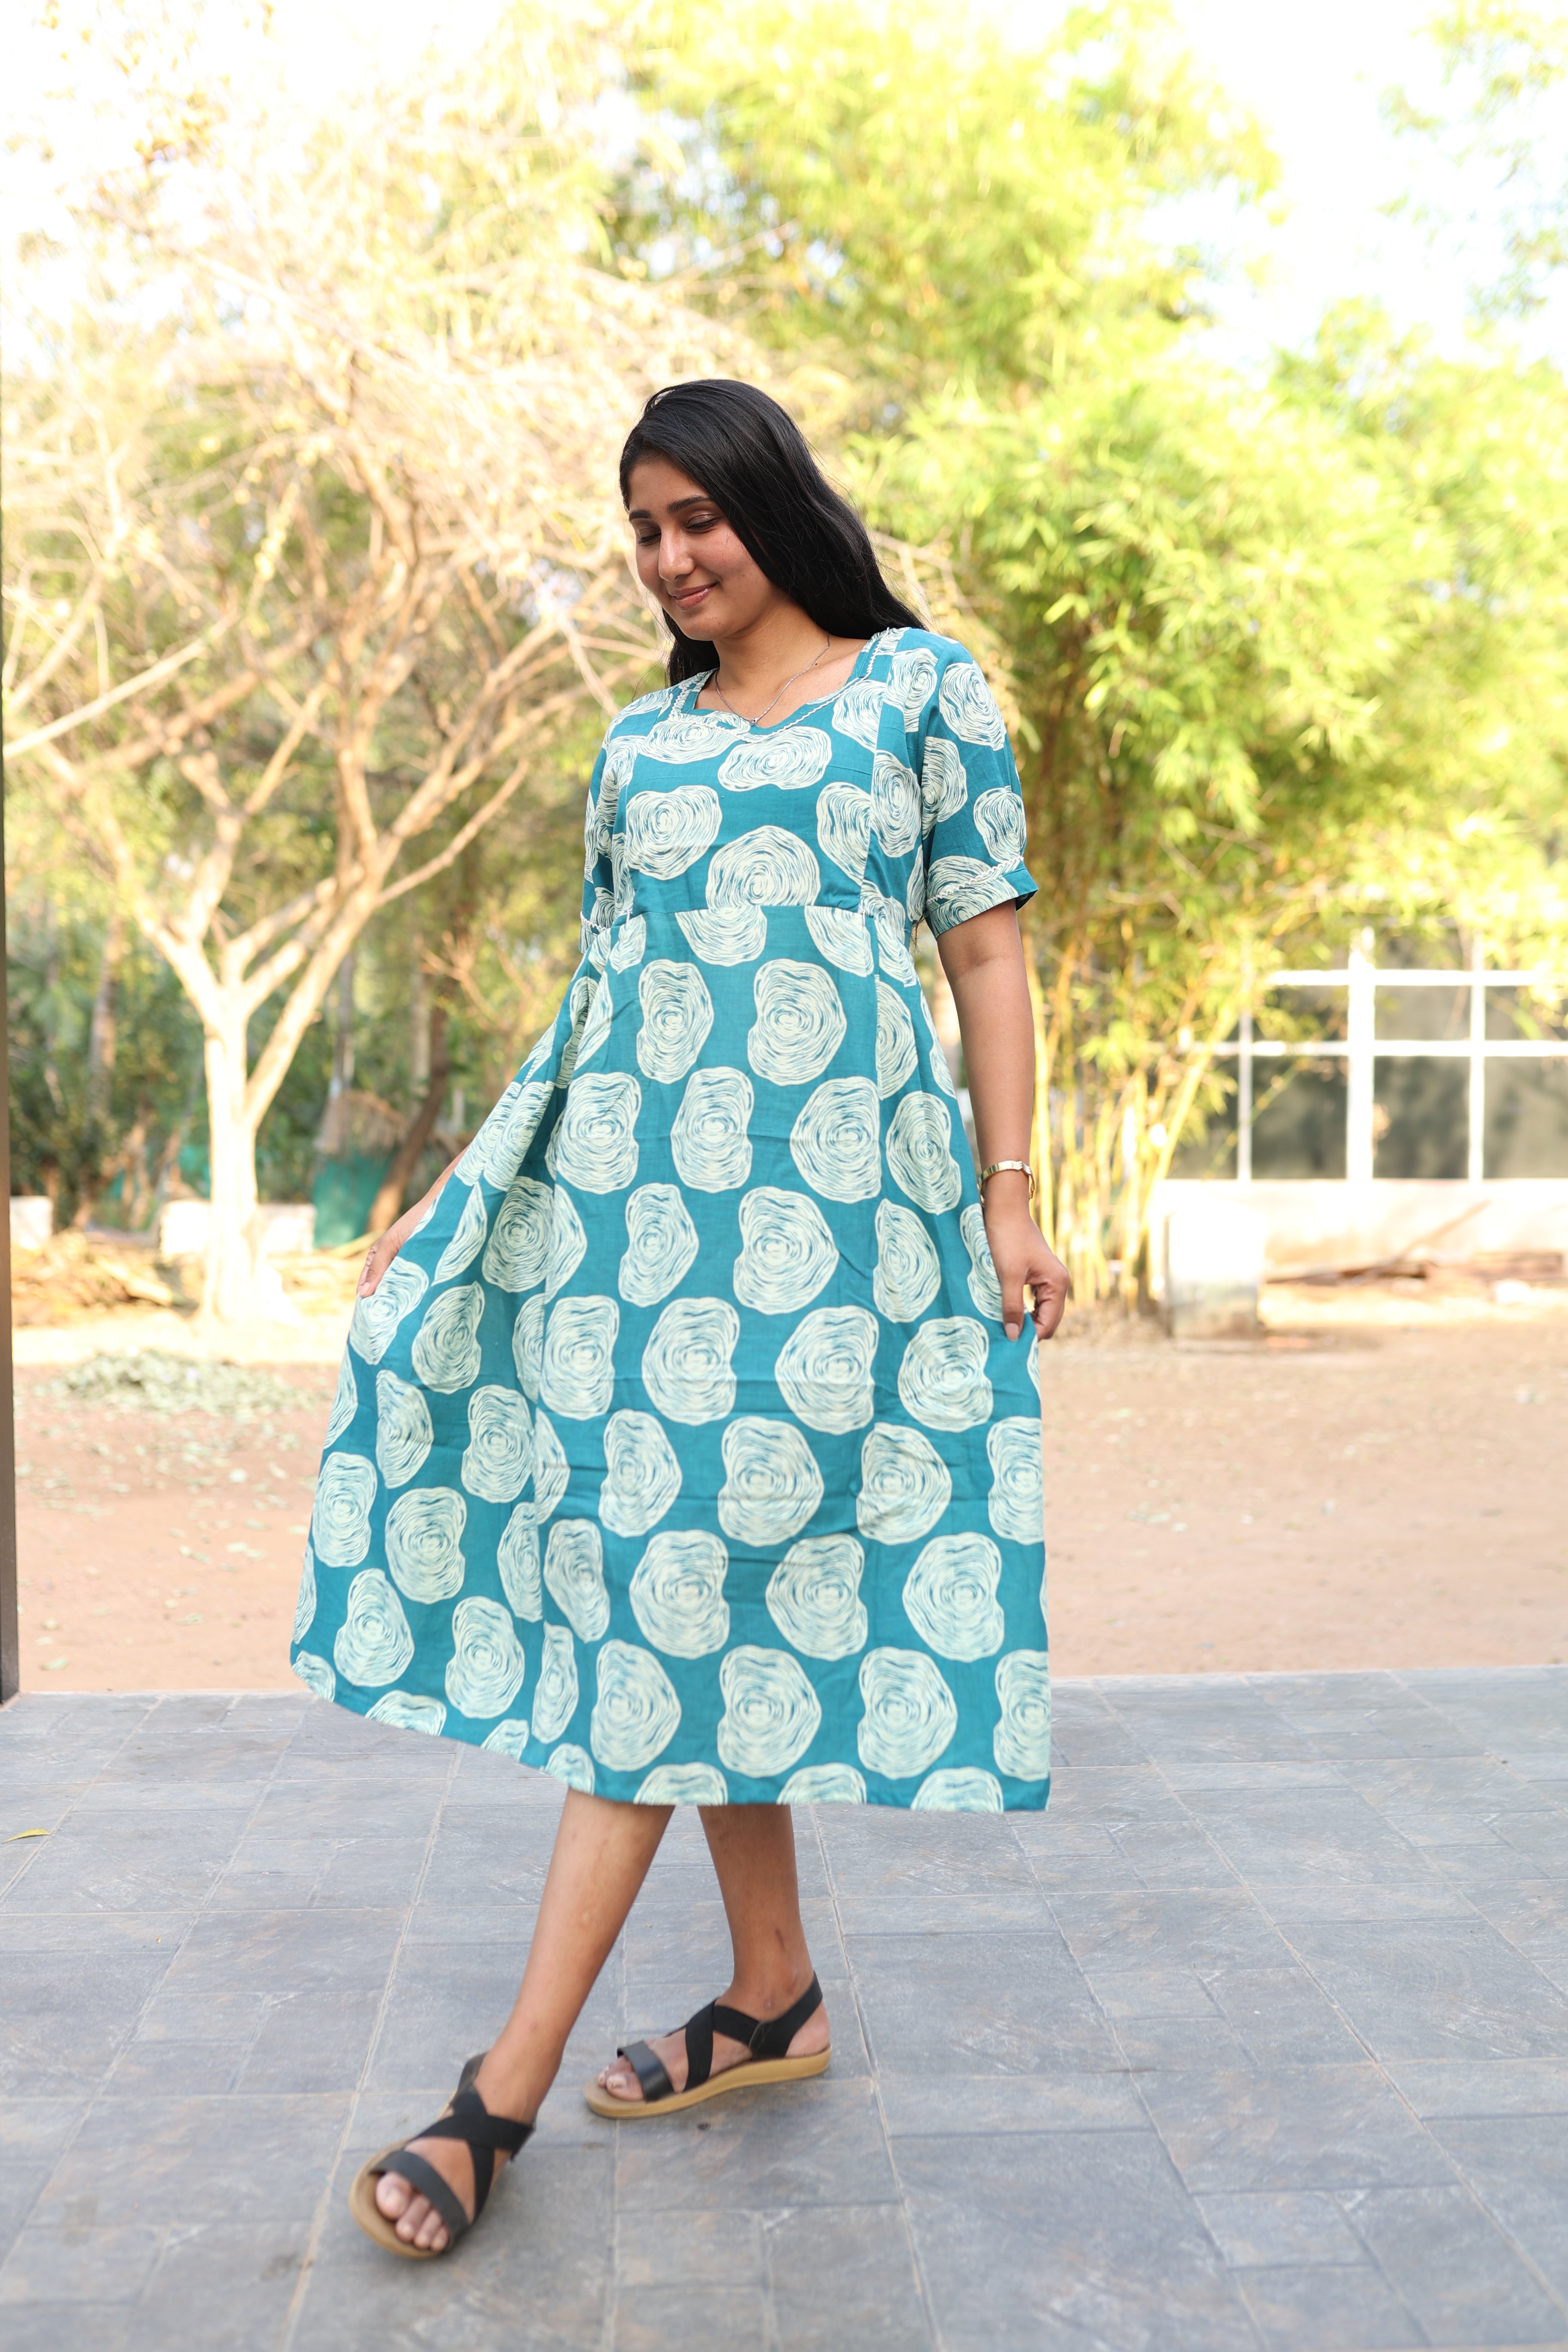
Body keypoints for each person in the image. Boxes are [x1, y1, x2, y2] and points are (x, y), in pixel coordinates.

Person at [291, 378, 1069, 2258]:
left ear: (769, 504)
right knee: (697, 1599)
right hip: (636, 1258)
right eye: (643, 531)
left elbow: (985, 948)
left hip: (838, 1250)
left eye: (695, 517)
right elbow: (597, 1005)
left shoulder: (919, 692)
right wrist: (458, 1201)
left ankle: (502, 2090)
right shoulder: (639, 746)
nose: (668, 557)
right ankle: (772, 1991)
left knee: (665, 1614)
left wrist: (1013, 1191)